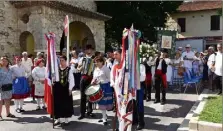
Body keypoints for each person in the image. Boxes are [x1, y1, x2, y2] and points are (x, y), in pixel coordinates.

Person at [53, 55, 74, 126]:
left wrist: (70, 88)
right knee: (57, 103)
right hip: (58, 88)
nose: (61, 62)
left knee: (66, 103)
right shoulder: (56, 69)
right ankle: (57, 119)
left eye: (63, 60)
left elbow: (71, 79)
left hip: (65, 88)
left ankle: (66, 119)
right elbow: (54, 78)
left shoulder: (69, 69)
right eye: (60, 61)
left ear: (65, 61)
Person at [91, 56, 113, 125]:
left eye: (98, 62)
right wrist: (92, 81)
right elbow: (94, 78)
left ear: (102, 62)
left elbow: (110, 79)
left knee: (104, 103)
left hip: (106, 87)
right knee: (100, 103)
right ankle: (104, 117)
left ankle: (104, 117)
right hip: (98, 88)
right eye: (96, 62)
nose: (96, 63)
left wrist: (102, 81)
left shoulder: (106, 69)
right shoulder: (95, 69)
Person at [77, 44, 95, 120]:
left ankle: (90, 111)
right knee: (83, 96)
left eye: (90, 49)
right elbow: (78, 68)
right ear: (85, 51)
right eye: (87, 49)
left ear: (91, 50)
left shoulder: (94, 58)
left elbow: (97, 68)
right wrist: (81, 67)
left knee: (90, 95)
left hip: (91, 78)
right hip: (83, 77)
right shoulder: (82, 59)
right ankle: (82, 113)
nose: (88, 51)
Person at [133, 59, 146, 130]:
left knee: (140, 103)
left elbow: (143, 78)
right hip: (131, 86)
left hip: (139, 85)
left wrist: (137, 74)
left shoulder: (141, 66)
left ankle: (141, 122)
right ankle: (134, 119)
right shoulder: (129, 65)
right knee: (133, 103)